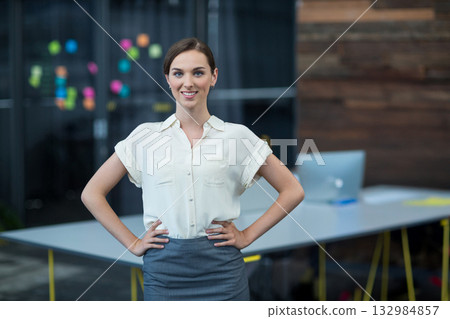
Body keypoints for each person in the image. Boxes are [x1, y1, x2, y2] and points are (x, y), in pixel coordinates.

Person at [81, 37, 304, 301]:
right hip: (163, 272)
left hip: (222, 270)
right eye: (178, 73)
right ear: (167, 79)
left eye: (198, 73)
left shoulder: (236, 136)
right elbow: (92, 193)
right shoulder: (145, 137)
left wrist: (247, 236)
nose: (188, 82)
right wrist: (134, 243)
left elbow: (292, 190)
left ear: (214, 77)